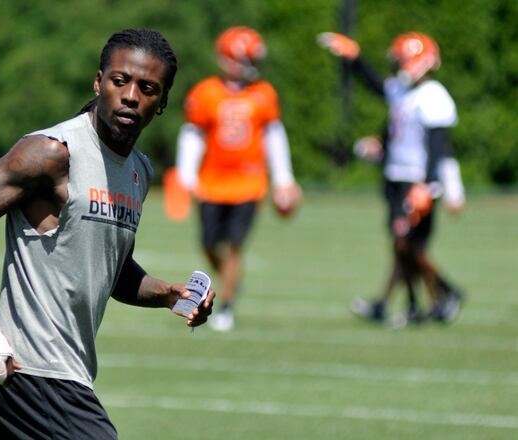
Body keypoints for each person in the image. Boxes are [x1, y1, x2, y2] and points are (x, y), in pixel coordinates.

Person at [0, 29, 215, 439]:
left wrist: (169, 294)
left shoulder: (139, 171)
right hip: (32, 369)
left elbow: (113, 270)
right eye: (120, 81)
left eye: (147, 88)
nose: (131, 96)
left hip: (67, 371)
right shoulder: (52, 152)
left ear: (162, 102)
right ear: (98, 82)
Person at [318, 31, 465, 326]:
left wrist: (430, 186)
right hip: (395, 176)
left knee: (406, 244)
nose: (398, 67)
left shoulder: (435, 96)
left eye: (402, 61)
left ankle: (441, 293)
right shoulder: (402, 90)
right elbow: (376, 85)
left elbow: (439, 148)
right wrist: (355, 58)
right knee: (403, 245)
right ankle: (424, 302)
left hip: (416, 181)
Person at [174, 26, 301, 331]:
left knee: (234, 245)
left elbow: (273, 135)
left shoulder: (264, 93)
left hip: (249, 183)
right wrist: (186, 173)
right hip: (212, 182)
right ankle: (230, 282)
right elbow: (193, 133)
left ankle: (227, 303)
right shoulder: (206, 92)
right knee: (207, 243)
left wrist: (284, 178)